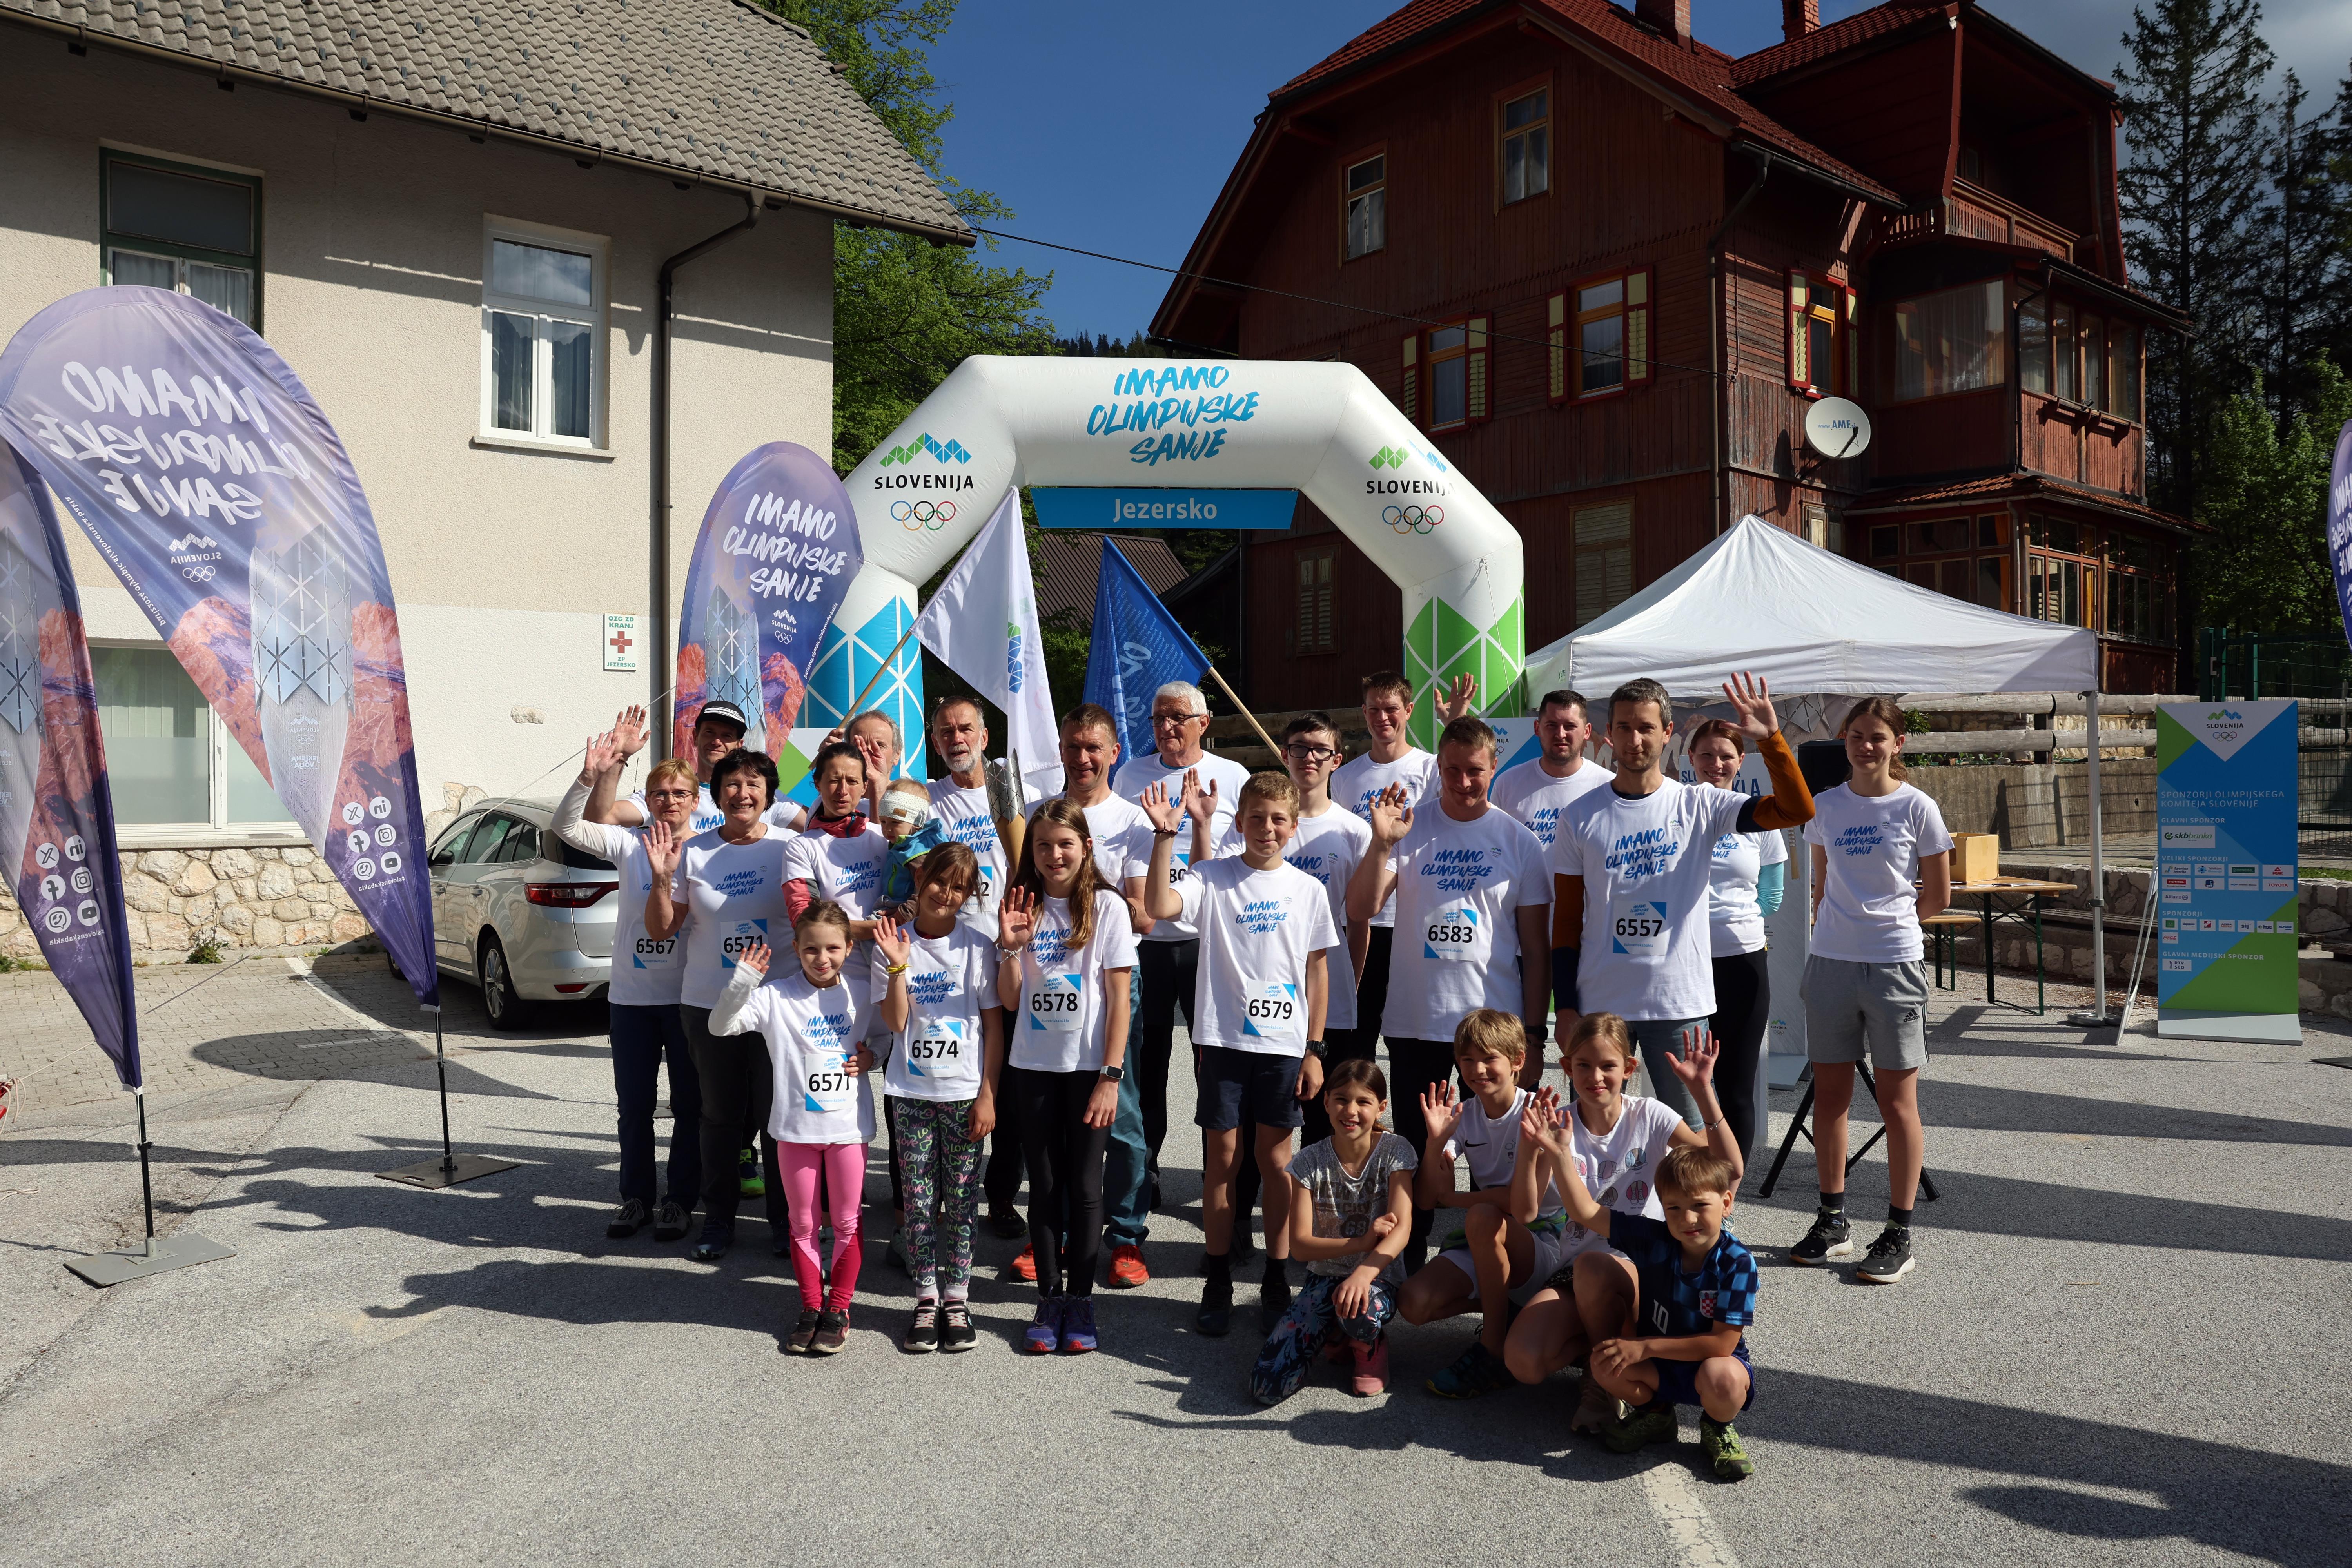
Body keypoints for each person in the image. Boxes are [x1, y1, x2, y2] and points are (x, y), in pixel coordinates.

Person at [1549, 675, 1813, 1129]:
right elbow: (1568, 920)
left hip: (1678, 1003)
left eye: (1646, 728)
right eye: (1625, 727)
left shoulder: (1700, 804)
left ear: (1668, 733)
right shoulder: (1579, 815)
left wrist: (1771, 739)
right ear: (1609, 732)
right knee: (1593, 1133)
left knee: (1689, 1139)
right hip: (1601, 1001)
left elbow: (1797, 810)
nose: (1635, 740)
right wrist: (1567, 1006)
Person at [1347, 713, 1550, 1270]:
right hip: (1418, 1021)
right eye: (1453, 770)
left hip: (1493, 1031)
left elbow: (1536, 951)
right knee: (1415, 1153)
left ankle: (1494, 1271)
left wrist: (1534, 1037)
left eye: (1475, 771)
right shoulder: (1409, 827)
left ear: (1494, 768)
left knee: (1496, 1160)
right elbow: (1361, 908)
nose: (1463, 782)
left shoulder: (1519, 841)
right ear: (1438, 767)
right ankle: (1406, 1266)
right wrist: (1381, 844)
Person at [1141, 771, 1334, 1338]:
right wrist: (1165, 838)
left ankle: (1275, 1276)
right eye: (1256, 818)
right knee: (1222, 1161)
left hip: (1282, 1046)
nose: (1266, 828)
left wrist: (1315, 1048)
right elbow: (1159, 905)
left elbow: (1317, 972)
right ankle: (1219, 1277)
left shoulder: (1308, 890)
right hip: (1224, 1042)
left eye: (1278, 820)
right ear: (1240, 823)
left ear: (1293, 827)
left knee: (1276, 1163)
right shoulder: (1213, 876)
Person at [1503, 1014, 1748, 1434]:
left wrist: (1703, 1092)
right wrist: (1531, 1148)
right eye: (1584, 1065)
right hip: (1575, 1268)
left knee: (1595, 1268)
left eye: (1608, 1066)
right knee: (1524, 1361)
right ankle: (1597, 1349)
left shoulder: (1649, 1115)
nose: (1595, 1076)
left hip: (1645, 1267)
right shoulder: (1558, 1124)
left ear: (1629, 1068)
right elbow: (1524, 1213)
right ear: (1568, 1067)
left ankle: (1601, 1383)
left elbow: (1727, 1169)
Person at [1793, 694, 1951, 1285]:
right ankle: (1832, 1221)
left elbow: (1938, 896)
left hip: (1893, 967)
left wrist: (1890, 927)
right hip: (1830, 963)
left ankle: (1898, 1232)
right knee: (1830, 1099)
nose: (1865, 746)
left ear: (1897, 744)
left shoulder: (1918, 806)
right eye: (1856, 735)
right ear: (1845, 740)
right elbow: (1821, 885)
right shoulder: (1825, 805)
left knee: (1897, 1104)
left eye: (1877, 736)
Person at [1521, 1119, 1760, 1481]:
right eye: (1674, 1208)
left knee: (1723, 1378)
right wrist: (1559, 1154)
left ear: (1726, 1202)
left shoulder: (1737, 1262)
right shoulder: (1655, 1238)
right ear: (1661, 1206)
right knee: (1604, 1365)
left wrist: (1644, 1346)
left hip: (1707, 1362)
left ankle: (1717, 1426)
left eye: (1700, 1205)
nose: (1688, 1219)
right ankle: (1656, 1414)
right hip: (1657, 1362)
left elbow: (1721, 1344)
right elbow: (1585, 1212)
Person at [708, 904, 890, 1357]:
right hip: (794, 1130)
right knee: (803, 1223)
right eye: (811, 949)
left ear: (850, 947)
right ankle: (811, 1308)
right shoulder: (775, 995)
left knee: (846, 1221)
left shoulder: (863, 993)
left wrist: (872, 1058)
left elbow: (887, 1036)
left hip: (848, 1128)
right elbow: (720, 1025)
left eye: (832, 948)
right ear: (796, 948)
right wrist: (743, 980)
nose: (822, 958)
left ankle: (839, 1309)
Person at [995, 798, 1138, 1355]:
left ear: (1087, 848)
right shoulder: (1021, 905)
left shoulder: (1108, 907)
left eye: (1065, 845)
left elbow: (1121, 1001)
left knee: (1083, 1185)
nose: (1054, 855)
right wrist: (1010, 948)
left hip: (1087, 1071)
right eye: (1043, 845)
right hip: (1033, 1067)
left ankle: (1081, 1299)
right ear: (1031, 851)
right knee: (1045, 1184)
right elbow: (1010, 1000)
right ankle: (1049, 1298)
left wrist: (1111, 1075)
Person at [641, 747, 794, 1262]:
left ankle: (786, 1222)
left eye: (753, 784)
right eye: (732, 784)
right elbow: (662, 930)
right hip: (709, 1004)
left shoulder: (791, 847)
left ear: (768, 794)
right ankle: (719, 1220)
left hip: (777, 1004)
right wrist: (662, 878)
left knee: (778, 1119)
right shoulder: (694, 851)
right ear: (717, 793)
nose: (742, 794)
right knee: (719, 1117)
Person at [1111, 681, 1250, 1238]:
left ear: (1203, 722)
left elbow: (1235, 868)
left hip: (1206, 942)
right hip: (1145, 941)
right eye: (1158, 718)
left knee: (1212, 1064)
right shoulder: (1130, 776)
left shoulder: (1232, 777)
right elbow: (1119, 853)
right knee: (1147, 1066)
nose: (1166, 728)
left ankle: (1220, 1178)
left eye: (1177, 717)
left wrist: (1200, 825)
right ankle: (1143, 1174)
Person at [553, 737, 702, 1243]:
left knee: (690, 1108)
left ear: (695, 800)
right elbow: (567, 828)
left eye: (679, 793)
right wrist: (590, 776)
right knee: (634, 1108)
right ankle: (636, 1198)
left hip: (688, 1000)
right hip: (633, 1001)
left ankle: (680, 1201)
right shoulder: (629, 844)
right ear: (648, 800)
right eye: (659, 793)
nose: (669, 801)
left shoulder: (708, 847)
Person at [869, 842, 1002, 1354]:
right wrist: (898, 966)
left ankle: (958, 1299)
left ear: (968, 895)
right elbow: (896, 1022)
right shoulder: (893, 941)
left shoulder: (978, 946)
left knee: (963, 1200)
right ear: (921, 878)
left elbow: (994, 1028)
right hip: (911, 1093)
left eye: (958, 887)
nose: (946, 893)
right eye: (939, 881)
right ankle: (926, 1298)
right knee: (919, 1202)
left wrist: (988, 1094)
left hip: (964, 1093)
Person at [1396, 1012, 1566, 1398]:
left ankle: (1492, 1349)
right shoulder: (1466, 1115)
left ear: (1518, 1060)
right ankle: (1507, 1311)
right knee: (1413, 1303)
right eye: (1467, 1060)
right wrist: (1434, 1144)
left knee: (1483, 1216)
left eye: (1489, 1058)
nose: (1477, 1069)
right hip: (1493, 1237)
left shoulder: (1536, 1112)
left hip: (1546, 1242)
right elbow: (1426, 1199)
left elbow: (1523, 1206)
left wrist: (1457, 1199)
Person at [1049, 703, 1161, 1289]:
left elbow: (1143, 915)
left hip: (1114, 977)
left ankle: (1125, 1235)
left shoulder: (1132, 820)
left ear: (1114, 753)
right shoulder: (1043, 815)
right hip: (1051, 977)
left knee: (1121, 1107)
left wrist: (1091, 885)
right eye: (1073, 746)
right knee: (1059, 1110)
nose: (1083, 757)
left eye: (1093, 747)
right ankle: (1060, 1229)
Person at [1328, 672, 1474, 1100]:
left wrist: (1455, 721)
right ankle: (1358, 1124)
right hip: (1361, 921)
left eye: (1391, 709)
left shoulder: (1429, 768)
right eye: (1373, 709)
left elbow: (1457, 799)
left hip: (1411, 920)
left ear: (1408, 711)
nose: (1382, 718)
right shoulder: (1346, 776)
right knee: (1356, 1035)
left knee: (1409, 1039)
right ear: (1364, 713)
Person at [1249, 1058, 1417, 1405]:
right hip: (1325, 1277)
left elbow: (1402, 1229)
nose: (1351, 1111)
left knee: (1359, 1311)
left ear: (1381, 1108)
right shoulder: (1308, 1162)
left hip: (1378, 1278)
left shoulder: (1395, 1151)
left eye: (1363, 1102)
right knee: (1265, 1387)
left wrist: (1364, 1273)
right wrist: (1362, 1241)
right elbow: (1300, 1247)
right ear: (1326, 1102)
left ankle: (1367, 1344)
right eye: (1341, 1099)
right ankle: (1337, 1335)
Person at [925, 696, 1028, 1243]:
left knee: (1006, 1088)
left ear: (985, 737)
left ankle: (1002, 1196)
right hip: (951, 961)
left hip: (1008, 956)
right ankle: (930, 1198)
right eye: (946, 732)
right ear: (935, 741)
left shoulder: (1013, 790)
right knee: (944, 1082)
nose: (957, 739)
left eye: (966, 729)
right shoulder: (928, 800)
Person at [1685, 719, 1788, 1166]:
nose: (1716, 763)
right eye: (1707, 754)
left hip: (1743, 964)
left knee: (1735, 1086)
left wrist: (1734, 923)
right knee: (1688, 1088)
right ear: (1691, 758)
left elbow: (1772, 896)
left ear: (1741, 761)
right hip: (1685, 965)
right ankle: (1687, 1186)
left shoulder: (1760, 815)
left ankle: (1729, 1190)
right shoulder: (1677, 809)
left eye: (1726, 755)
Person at [1278, 713, 1374, 1147]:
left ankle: (1317, 1188)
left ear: (1337, 760)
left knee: (1323, 1112)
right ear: (1286, 755)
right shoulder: (1267, 825)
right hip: (1272, 990)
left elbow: (1359, 920)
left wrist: (1349, 986)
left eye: (1321, 750)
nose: (1310, 757)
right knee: (1270, 1112)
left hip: (1328, 992)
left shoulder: (1353, 830)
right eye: (1300, 747)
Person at [589, 701, 806, 834]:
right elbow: (601, 818)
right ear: (695, 737)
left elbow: (818, 828)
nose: (717, 741)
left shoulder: (762, 797)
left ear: (740, 744)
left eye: (727, 736)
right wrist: (620, 757)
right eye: (710, 732)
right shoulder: (669, 793)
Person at [1489, 689, 1611, 853]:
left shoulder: (1607, 785)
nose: (1561, 734)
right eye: (1552, 725)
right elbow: (1494, 848)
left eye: (1570, 726)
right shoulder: (1508, 783)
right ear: (1537, 728)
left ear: (1587, 731)